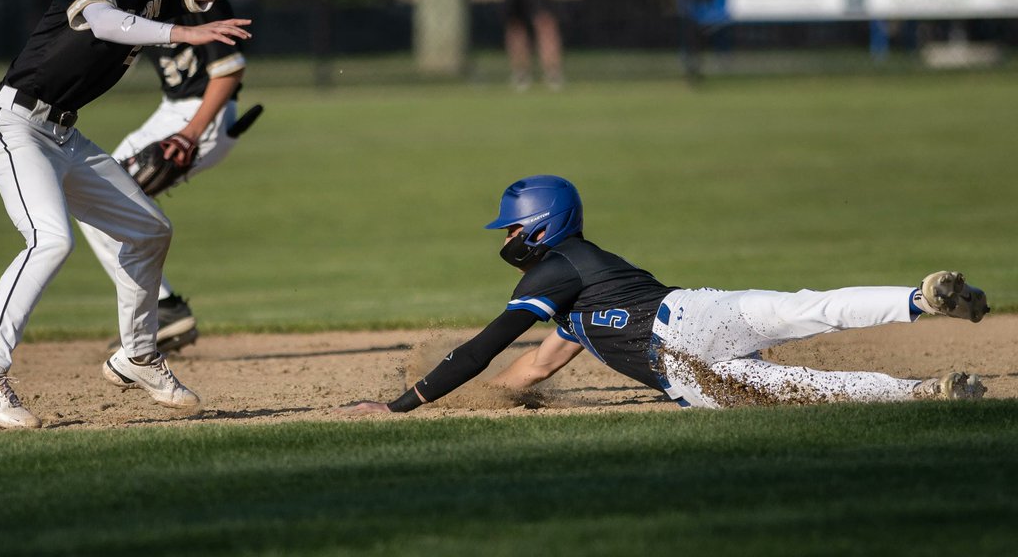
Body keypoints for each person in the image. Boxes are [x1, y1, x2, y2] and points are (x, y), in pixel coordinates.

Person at [0, 0, 304, 429]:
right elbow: (104, 22)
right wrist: (182, 31)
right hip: (12, 124)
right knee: (51, 239)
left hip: (63, 134)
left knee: (148, 229)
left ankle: (138, 354)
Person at [344, 175, 989, 415]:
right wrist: (488, 404)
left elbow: (484, 348)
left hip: (683, 369)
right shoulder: (586, 288)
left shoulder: (550, 274)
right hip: (698, 310)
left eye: (513, 226)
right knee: (804, 309)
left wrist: (405, 406)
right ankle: (918, 301)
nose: (508, 237)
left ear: (541, 226)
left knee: (806, 390)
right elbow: (532, 368)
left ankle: (923, 393)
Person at [79, 0, 261, 354]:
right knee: (93, 199)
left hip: (198, 116)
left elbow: (229, 72)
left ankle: (164, 310)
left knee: (101, 201)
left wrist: (188, 135)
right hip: (171, 108)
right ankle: (163, 310)